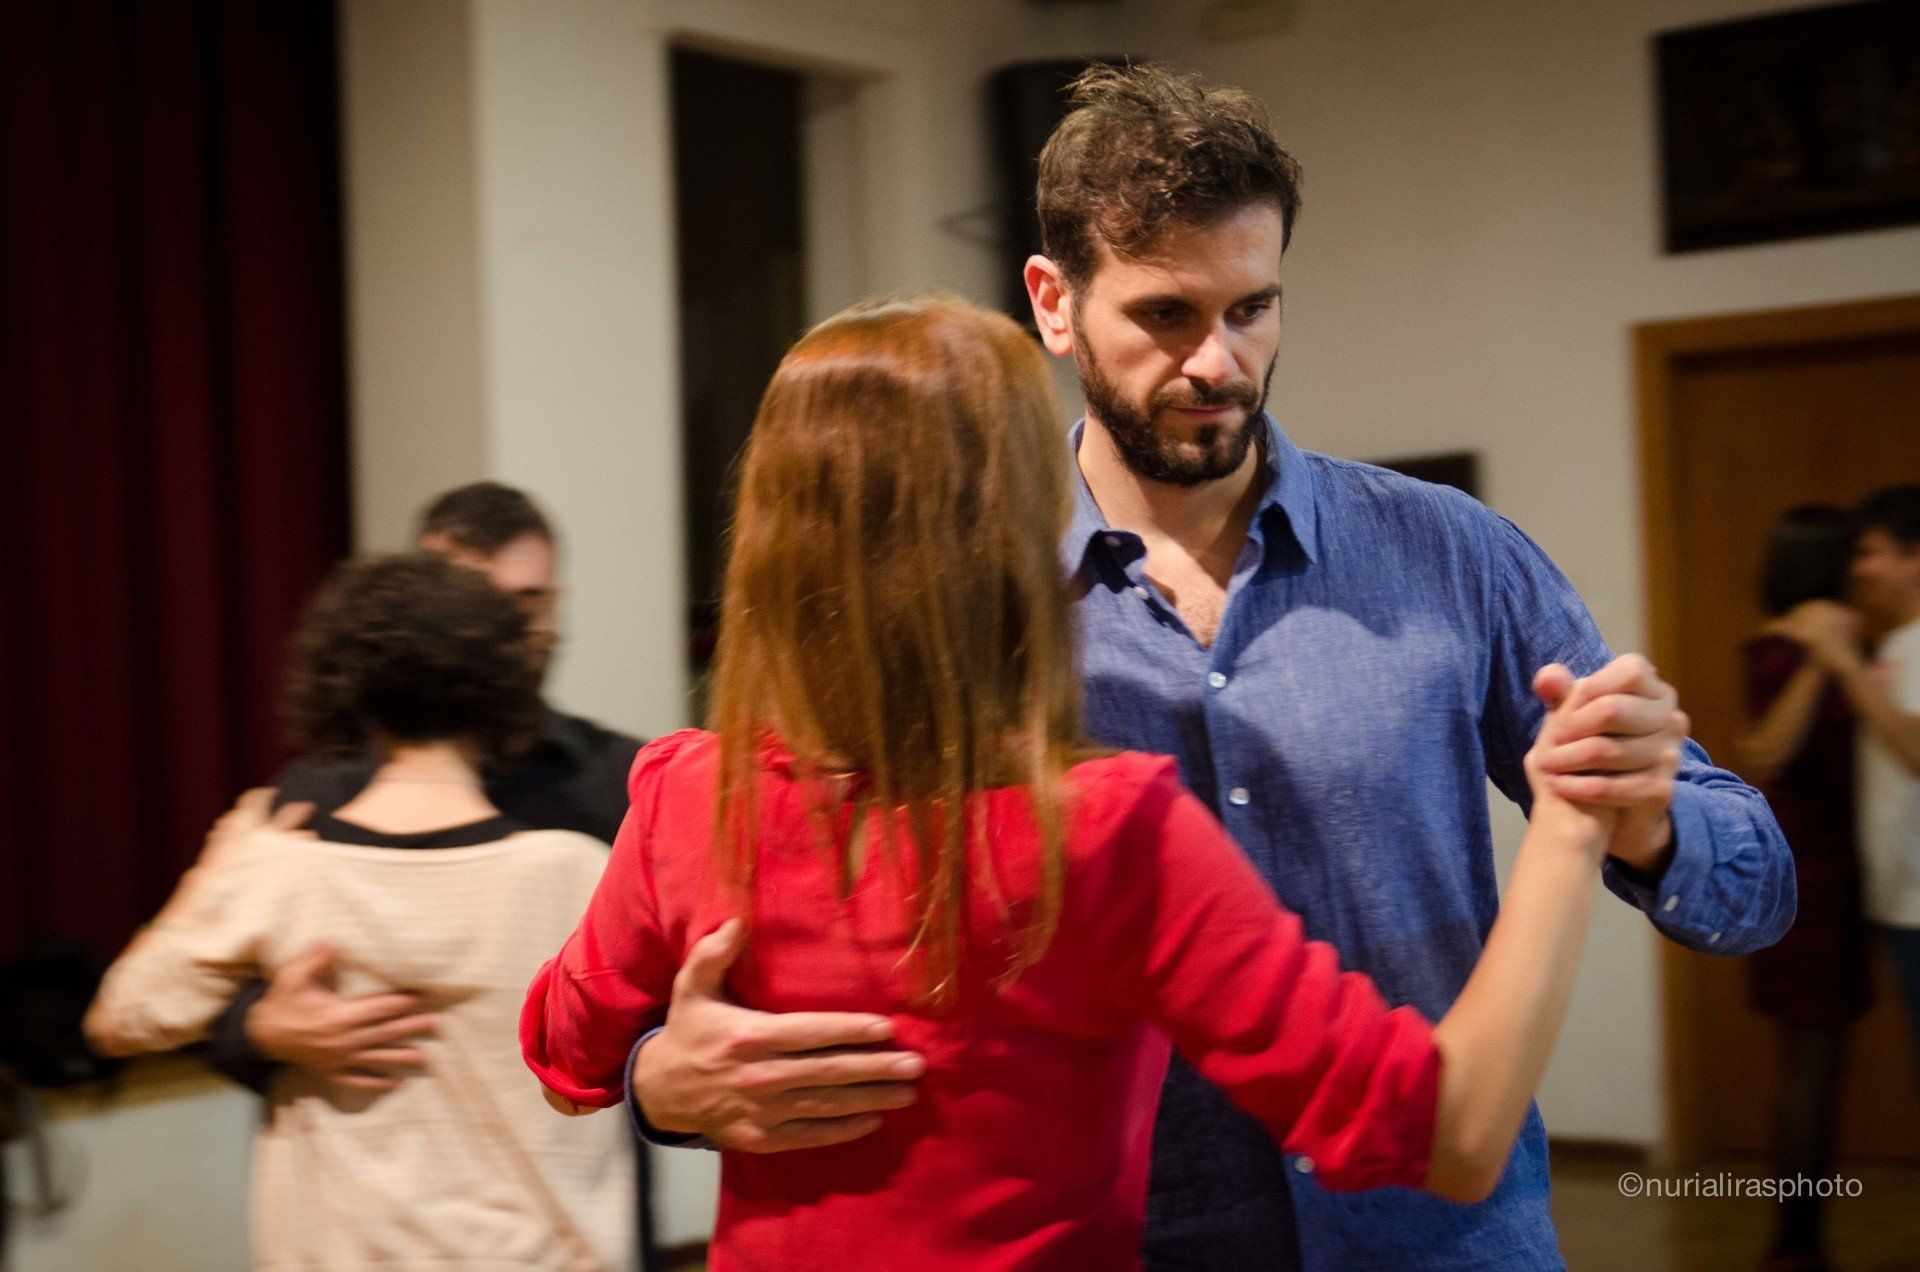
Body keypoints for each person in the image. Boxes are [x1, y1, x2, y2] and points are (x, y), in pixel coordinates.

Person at [623, 65, 1794, 1270]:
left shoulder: (1451, 555)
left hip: (1441, 1238)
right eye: (1167, 316)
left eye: (1252, 309)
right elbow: (779, 896)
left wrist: (1647, 822)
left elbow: (1753, 890)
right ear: (1055, 303)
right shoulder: (956, 597)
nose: (1219, 363)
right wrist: (660, 1079)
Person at [523, 295, 1620, 1270]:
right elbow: (1451, 1134)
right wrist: (1571, 824)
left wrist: (658, 1072)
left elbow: (564, 1053)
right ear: (1008, 533)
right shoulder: (1101, 830)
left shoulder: (688, 793)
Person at [85, 553, 633, 1269]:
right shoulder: (578, 872)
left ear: (348, 687)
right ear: (498, 687)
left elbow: (119, 1016)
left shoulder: (278, 868)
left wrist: (213, 870)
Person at [206, 481, 641, 1097]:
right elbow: (200, 992)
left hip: (566, 1150)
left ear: (557, 604)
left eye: (526, 601)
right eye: (474, 602)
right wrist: (259, 1028)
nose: (501, 631)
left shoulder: (626, 784)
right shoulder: (320, 789)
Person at [1735, 506, 1871, 1272]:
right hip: (1802, 878)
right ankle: (1793, 1248)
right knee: (1809, 1058)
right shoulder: (1781, 650)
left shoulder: (1846, 641)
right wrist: (1824, 660)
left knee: (1821, 1056)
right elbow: (1763, 754)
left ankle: (1801, 1241)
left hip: (1842, 873)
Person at [1776, 486, 1920, 1099]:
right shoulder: (1894, 645)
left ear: (1915, 556)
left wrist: (1841, 661)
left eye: (1870, 552)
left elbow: (1915, 753)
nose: (1856, 569)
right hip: (1898, 901)